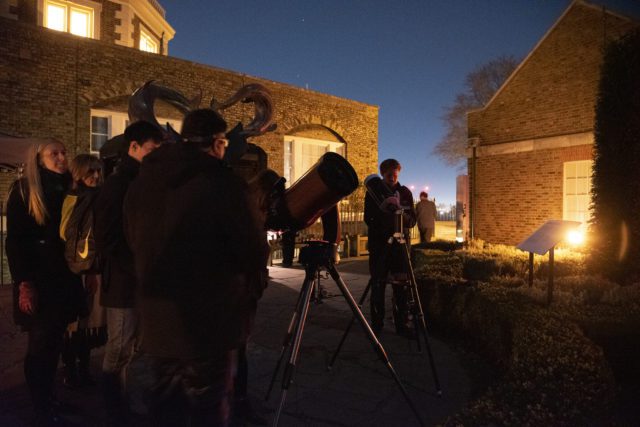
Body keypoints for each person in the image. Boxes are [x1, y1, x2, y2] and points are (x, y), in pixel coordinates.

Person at [123, 109, 269, 426]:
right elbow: (252, 249)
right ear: (218, 143)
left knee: (166, 407)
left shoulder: (141, 185)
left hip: (158, 317)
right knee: (208, 408)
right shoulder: (224, 184)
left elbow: (133, 239)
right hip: (208, 321)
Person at [6, 139, 84, 425]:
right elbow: (15, 241)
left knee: (53, 343)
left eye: (64, 152)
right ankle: (41, 406)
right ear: (39, 160)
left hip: (63, 277)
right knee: (39, 344)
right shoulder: (26, 190)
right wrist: (24, 283)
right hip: (39, 279)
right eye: (55, 154)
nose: (62, 157)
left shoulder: (68, 188)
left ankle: (50, 398)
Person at [94, 121, 162, 425]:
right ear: (133, 146)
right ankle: (113, 409)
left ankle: (119, 402)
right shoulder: (116, 185)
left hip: (138, 280)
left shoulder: (142, 182)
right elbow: (108, 239)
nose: (154, 156)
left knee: (130, 345)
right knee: (119, 346)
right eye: (151, 150)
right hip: (123, 283)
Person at [59, 154, 107, 389]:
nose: (96, 176)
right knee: (76, 324)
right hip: (77, 269)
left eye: (98, 171)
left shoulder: (94, 197)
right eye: (91, 172)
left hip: (91, 268)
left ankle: (82, 370)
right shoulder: (75, 198)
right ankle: (72, 370)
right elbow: (66, 234)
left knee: (87, 324)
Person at [364, 158, 416, 336]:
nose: (392, 177)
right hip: (380, 245)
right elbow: (368, 219)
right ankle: (376, 325)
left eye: (395, 173)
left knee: (401, 284)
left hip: (399, 246)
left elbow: (412, 220)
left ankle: (402, 324)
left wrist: (403, 217)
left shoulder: (405, 193)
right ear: (382, 174)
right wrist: (386, 214)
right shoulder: (373, 193)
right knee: (378, 284)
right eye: (388, 174)